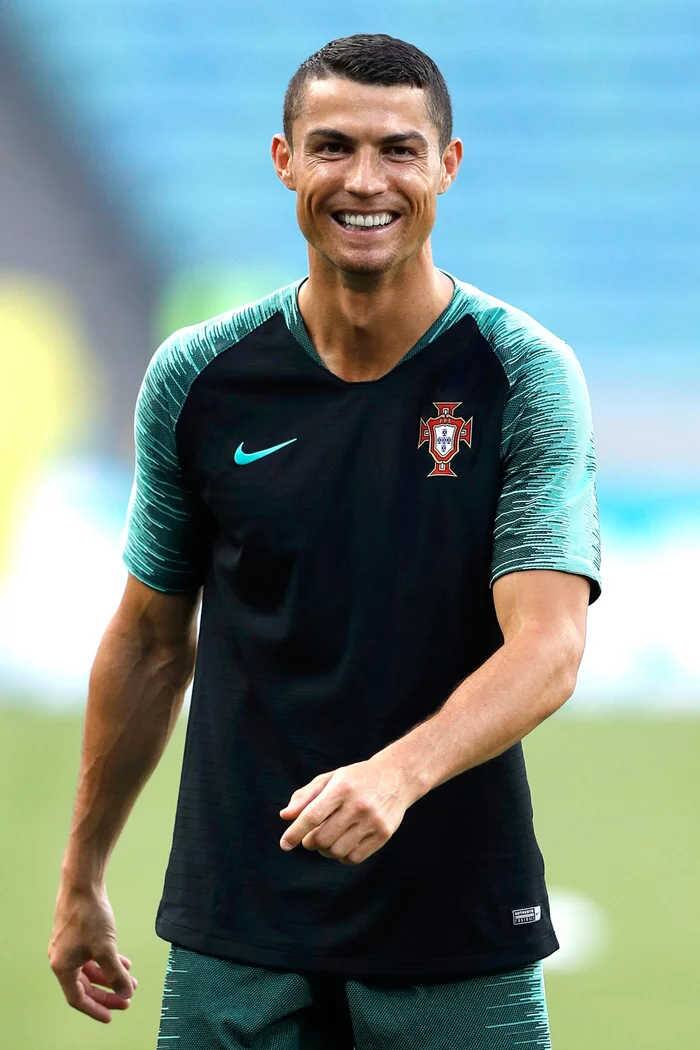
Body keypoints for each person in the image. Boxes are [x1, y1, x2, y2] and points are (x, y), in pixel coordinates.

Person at [48, 32, 602, 1049]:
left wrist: (395, 774)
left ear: (447, 164)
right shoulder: (199, 377)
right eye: (333, 146)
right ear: (284, 160)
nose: (365, 181)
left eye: (399, 150)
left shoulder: (521, 373)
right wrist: (81, 873)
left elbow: (549, 644)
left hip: (454, 930)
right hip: (236, 928)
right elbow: (150, 642)